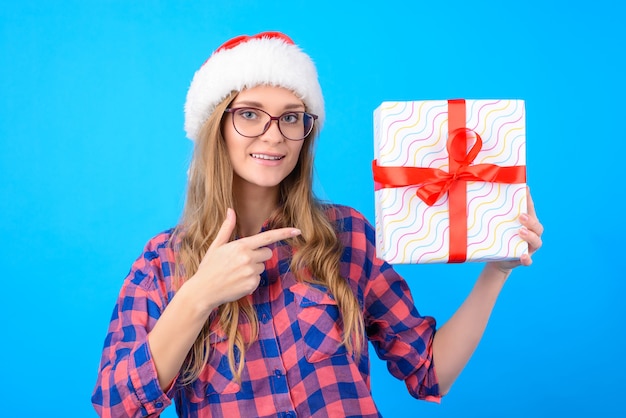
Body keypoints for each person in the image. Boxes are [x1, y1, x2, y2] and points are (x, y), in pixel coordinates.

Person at [92, 31, 543, 417]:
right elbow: (116, 406)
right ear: (217, 126)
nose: (274, 134)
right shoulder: (161, 264)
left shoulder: (346, 235)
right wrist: (199, 294)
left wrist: (496, 270)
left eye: (291, 117)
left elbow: (430, 371)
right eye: (249, 113)